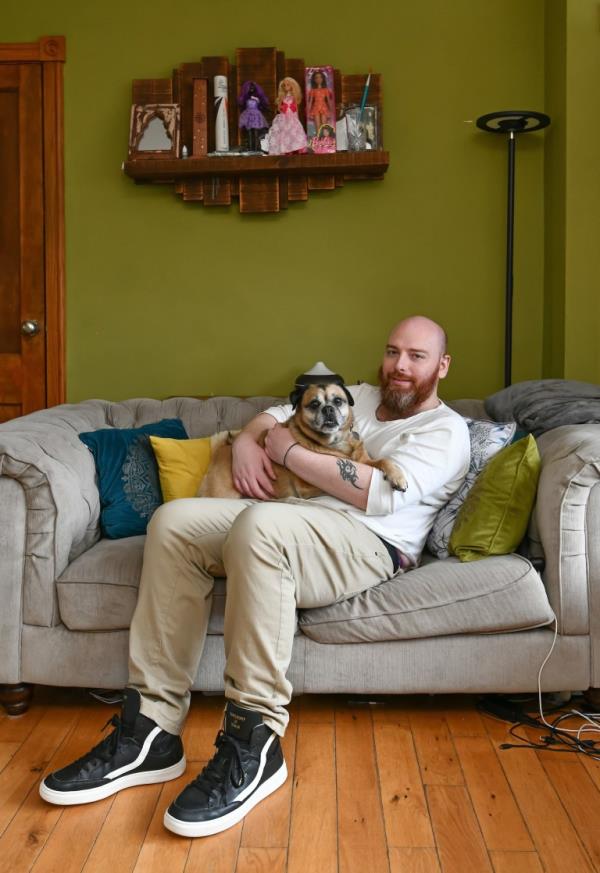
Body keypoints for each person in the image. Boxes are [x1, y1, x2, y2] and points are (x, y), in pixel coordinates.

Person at [39, 315, 470, 839]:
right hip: (292, 518)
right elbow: (270, 416)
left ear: (442, 366)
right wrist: (247, 441)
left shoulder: (444, 430)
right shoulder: (353, 393)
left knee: (261, 524)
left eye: (416, 356)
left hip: (365, 541)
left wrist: (283, 449)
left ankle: (255, 741)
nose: (400, 366)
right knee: (174, 521)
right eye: (393, 351)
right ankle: (150, 730)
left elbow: (375, 493)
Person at [266, 77, 307, 155]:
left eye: (288, 85)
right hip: (284, 117)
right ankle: (286, 148)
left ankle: (295, 147)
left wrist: (296, 117)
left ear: (292, 86)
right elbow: (279, 107)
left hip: (292, 116)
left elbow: (296, 108)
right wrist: (282, 109)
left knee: (294, 132)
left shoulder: (293, 97)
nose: (286, 87)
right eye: (284, 85)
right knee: (284, 133)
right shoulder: (283, 97)